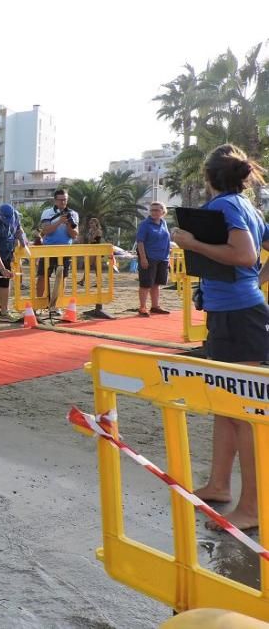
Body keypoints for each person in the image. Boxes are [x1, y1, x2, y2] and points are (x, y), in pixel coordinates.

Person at [172, 144, 269, 532]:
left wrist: (192, 243)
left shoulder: (224, 207)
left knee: (244, 412)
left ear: (208, 177)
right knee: (225, 405)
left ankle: (252, 508)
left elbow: (244, 255)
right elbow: (252, 258)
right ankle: (219, 485)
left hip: (238, 318)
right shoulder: (249, 207)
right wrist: (255, 284)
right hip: (235, 313)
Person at [0, 204, 29, 325]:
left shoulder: (16, 216)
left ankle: (4, 312)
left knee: (5, 282)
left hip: (6, 252)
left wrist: (23, 240)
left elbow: (19, 229)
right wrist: (2, 269)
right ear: (0, 215)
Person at [37, 188, 79, 316]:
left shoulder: (73, 214)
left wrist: (68, 224)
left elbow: (74, 235)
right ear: (55, 200)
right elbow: (45, 230)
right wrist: (59, 221)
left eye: (65, 200)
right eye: (60, 200)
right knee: (42, 277)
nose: (63, 202)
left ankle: (57, 305)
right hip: (48, 249)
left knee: (61, 278)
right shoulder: (47, 213)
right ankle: (39, 305)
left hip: (65, 249)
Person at [135, 203, 171, 317]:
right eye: (152, 210)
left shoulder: (163, 223)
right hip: (149, 257)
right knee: (146, 284)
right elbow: (140, 242)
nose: (154, 212)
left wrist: (168, 258)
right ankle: (142, 307)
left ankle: (155, 306)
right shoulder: (145, 224)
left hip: (163, 258)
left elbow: (167, 241)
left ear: (163, 212)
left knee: (157, 283)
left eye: (156, 210)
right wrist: (143, 258)